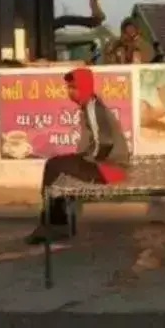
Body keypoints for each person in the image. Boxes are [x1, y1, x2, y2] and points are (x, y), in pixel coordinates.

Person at [26, 67, 130, 244]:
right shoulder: (89, 106)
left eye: (73, 88)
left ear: (85, 87)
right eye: (68, 88)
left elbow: (104, 142)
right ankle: (55, 223)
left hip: (109, 168)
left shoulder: (93, 108)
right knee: (56, 167)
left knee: (54, 167)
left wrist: (86, 161)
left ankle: (53, 225)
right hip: (104, 164)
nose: (70, 92)